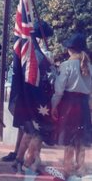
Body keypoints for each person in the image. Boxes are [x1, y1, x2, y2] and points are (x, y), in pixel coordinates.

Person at [12, 20, 56, 174]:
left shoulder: (27, 52)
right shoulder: (40, 56)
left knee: (29, 131)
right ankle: (28, 164)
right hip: (39, 99)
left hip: (28, 98)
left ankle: (18, 160)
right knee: (38, 133)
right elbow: (50, 78)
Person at [51, 33, 92, 179]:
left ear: (70, 49)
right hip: (84, 106)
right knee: (80, 140)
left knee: (68, 140)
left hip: (69, 105)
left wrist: (54, 106)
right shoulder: (90, 66)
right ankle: (81, 170)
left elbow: (59, 90)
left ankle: (67, 171)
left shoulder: (66, 66)